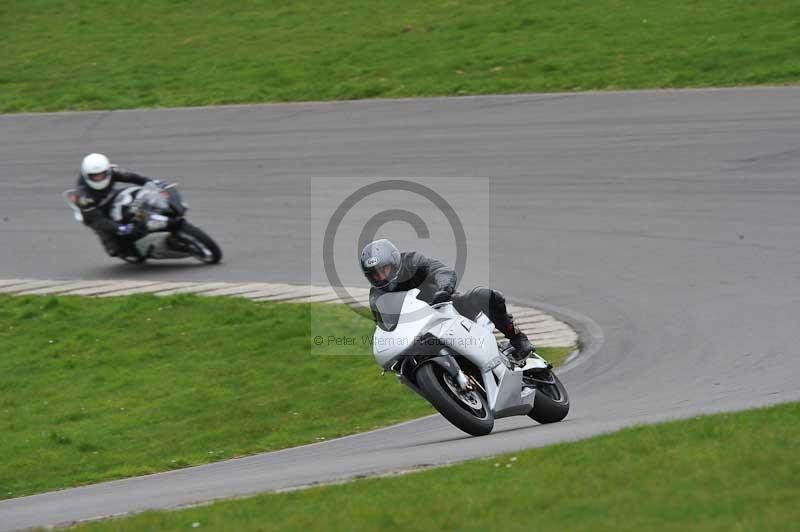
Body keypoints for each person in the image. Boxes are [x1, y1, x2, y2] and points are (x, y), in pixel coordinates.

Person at [360, 239, 534, 362]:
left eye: (384, 269)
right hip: (419, 334)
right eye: (375, 274)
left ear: (394, 262)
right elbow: (385, 327)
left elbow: (440, 271)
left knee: (486, 296)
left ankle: (517, 337)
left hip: (446, 306)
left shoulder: (412, 261)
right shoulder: (376, 296)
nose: (381, 277)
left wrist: (444, 289)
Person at [74, 153, 162, 257]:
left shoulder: (112, 172)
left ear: (107, 171)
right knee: (114, 250)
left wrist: (152, 182)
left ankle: (156, 212)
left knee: (137, 195)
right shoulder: (83, 197)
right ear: (86, 176)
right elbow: (98, 220)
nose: (99, 178)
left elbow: (132, 177)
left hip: (110, 196)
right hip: (94, 213)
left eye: (102, 174)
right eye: (94, 176)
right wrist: (120, 228)